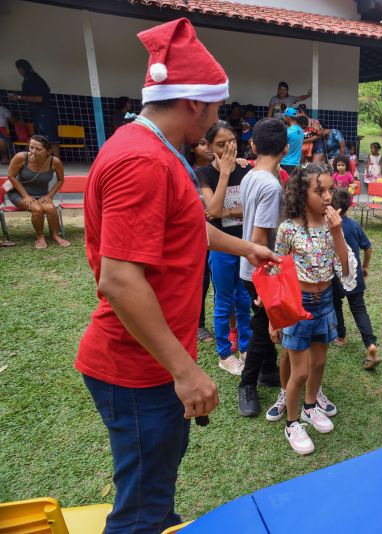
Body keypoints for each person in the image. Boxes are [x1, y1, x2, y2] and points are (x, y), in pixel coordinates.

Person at [75, 19, 278, 533]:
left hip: (153, 361)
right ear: (192, 102)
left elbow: (190, 228)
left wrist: (247, 247)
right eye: (214, 108)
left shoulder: (156, 151)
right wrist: (185, 371)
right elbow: (119, 280)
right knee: (140, 507)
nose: (216, 119)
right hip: (136, 367)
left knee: (155, 486)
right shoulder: (142, 161)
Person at [271, 163, 357, 455]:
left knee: (319, 364)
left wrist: (337, 232)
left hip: (324, 304)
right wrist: (275, 318)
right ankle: (292, 422)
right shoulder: (288, 229)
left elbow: (344, 268)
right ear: (302, 192)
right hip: (298, 305)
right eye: (319, 190)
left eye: (330, 189)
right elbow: (277, 273)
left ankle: (310, 407)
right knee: (302, 371)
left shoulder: (332, 226)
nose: (327, 196)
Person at [237, 118, 286, 417]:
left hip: (248, 267)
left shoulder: (250, 176)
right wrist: (270, 279)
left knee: (261, 321)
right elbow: (258, 240)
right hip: (259, 269)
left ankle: (269, 370)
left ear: (253, 145)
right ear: (286, 148)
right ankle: (247, 384)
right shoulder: (270, 186)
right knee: (262, 327)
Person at [196, 121, 253, 375]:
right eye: (221, 144)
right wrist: (225, 173)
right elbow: (214, 211)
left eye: (231, 143)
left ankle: (246, 347)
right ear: (209, 146)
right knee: (223, 300)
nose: (228, 149)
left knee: (243, 298)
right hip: (220, 245)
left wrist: (230, 210)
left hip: (243, 244)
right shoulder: (205, 174)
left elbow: (252, 208)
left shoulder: (246, 170)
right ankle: (224, 354)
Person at [330, 189, 381, 369]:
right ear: (350, 205)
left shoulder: (327, 225)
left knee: (336, 304)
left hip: (335, 276)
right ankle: (370, 345)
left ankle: (340, 336)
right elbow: (368, 248)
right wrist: (365, 266)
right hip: (354, 274)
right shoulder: (353, 225)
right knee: (359, 309)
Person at [5, 135, 70, 249]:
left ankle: (55, 235)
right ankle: (40, 236)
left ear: (48, 151)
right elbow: (11, 176)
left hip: (41, 194)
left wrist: (50, 195)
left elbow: (60, 179)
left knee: (50, 208)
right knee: (37, 209)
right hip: (19, 194)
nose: (33, 151)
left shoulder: (55, 162)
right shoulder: (21, 157)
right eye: (31, 147)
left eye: (38, 149)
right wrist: (25, 196)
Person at [184, 139, 215, 343]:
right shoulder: (187, 172)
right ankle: (199, 325)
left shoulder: (219, 169)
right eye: (203, 143)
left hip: (220, 232)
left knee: (224, 282)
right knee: (201, 281)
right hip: (198, 235)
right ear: (192, 148)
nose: (208, 147)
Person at [8, 60, 60, 158]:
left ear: (20, 69)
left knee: (51, 140)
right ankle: (40, 161)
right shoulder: (31, 78)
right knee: (40, 140)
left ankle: (57, 163)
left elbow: (39, 98)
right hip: (39, 114)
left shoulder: (33, 79)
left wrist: (19, 97)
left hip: (44, 113)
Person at [280, 107, 303, 175]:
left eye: (285, 116)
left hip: (285, 163)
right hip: (296, 164)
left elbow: (280, 146)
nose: (284, 118)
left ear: (289, 118)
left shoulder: (288, 131)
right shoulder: (300, 130)